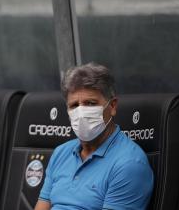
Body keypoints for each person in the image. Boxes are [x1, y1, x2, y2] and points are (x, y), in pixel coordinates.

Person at [35, 63, 153, 210]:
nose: (81, 112)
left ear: (113, 106)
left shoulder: (128, 164)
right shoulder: (61, 153)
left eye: (90, 103)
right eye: (74, 105)